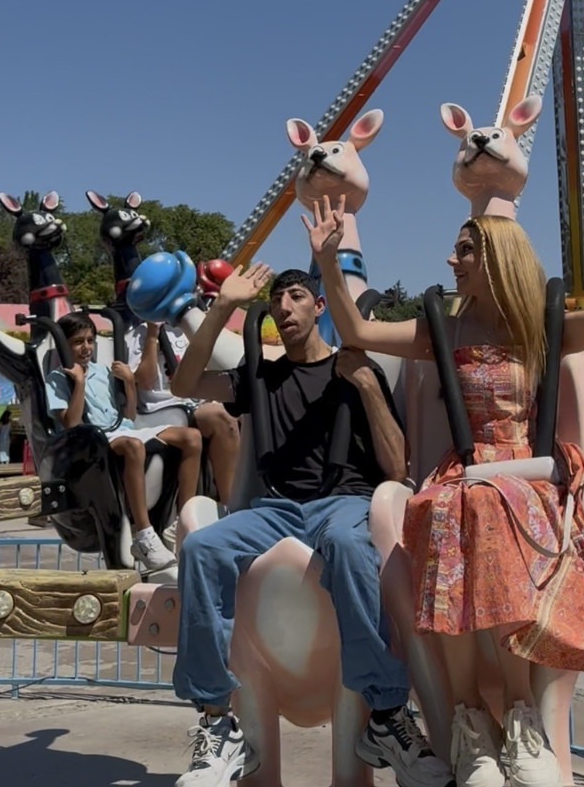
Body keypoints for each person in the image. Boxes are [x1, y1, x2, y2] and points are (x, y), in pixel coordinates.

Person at [304, 197, 584, 787]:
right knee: (455, 506)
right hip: (467, 475)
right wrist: (328, 262)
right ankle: (470, 720)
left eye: (465, 250)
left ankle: (520, 712)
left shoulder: (539, 327)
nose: (452, 260)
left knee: (488, 503)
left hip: (526, 469)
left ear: (497, 256)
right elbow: (359, 330)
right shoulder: (444, 328)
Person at [168, 265, 455, 787]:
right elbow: (183, 383)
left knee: (349, 543)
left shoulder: (356, 371)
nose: (284, 307)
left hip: (343, 502)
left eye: (296, 296)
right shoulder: (261, 375)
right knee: (201, 548)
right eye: (276, 300)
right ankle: (216, 720)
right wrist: (223, 305)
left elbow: (396, 466)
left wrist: (366, 384)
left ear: (319, 307)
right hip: (276, 509)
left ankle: (387, 714)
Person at [45, 313, 203, 573]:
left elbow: (128, 416)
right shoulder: (57, 379)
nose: (86, 347)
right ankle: (144, 534)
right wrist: (79, 383)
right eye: (78, 342)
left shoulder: (103, 372)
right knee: (133, 446)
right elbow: (72, 424)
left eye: (90, 340)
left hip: (121, 429)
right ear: (64, 344)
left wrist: (129, 382)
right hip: (92, 441)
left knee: (192, 437)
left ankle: (182, 520)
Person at [128, 321, 241, 504]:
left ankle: (237, 495)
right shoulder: (138, 334)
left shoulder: (186, 328)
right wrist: (152, 335)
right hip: (162, 407)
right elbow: (145, 382)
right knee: (222, 419)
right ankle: (231, 504)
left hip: (194, 401)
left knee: (242, 412)